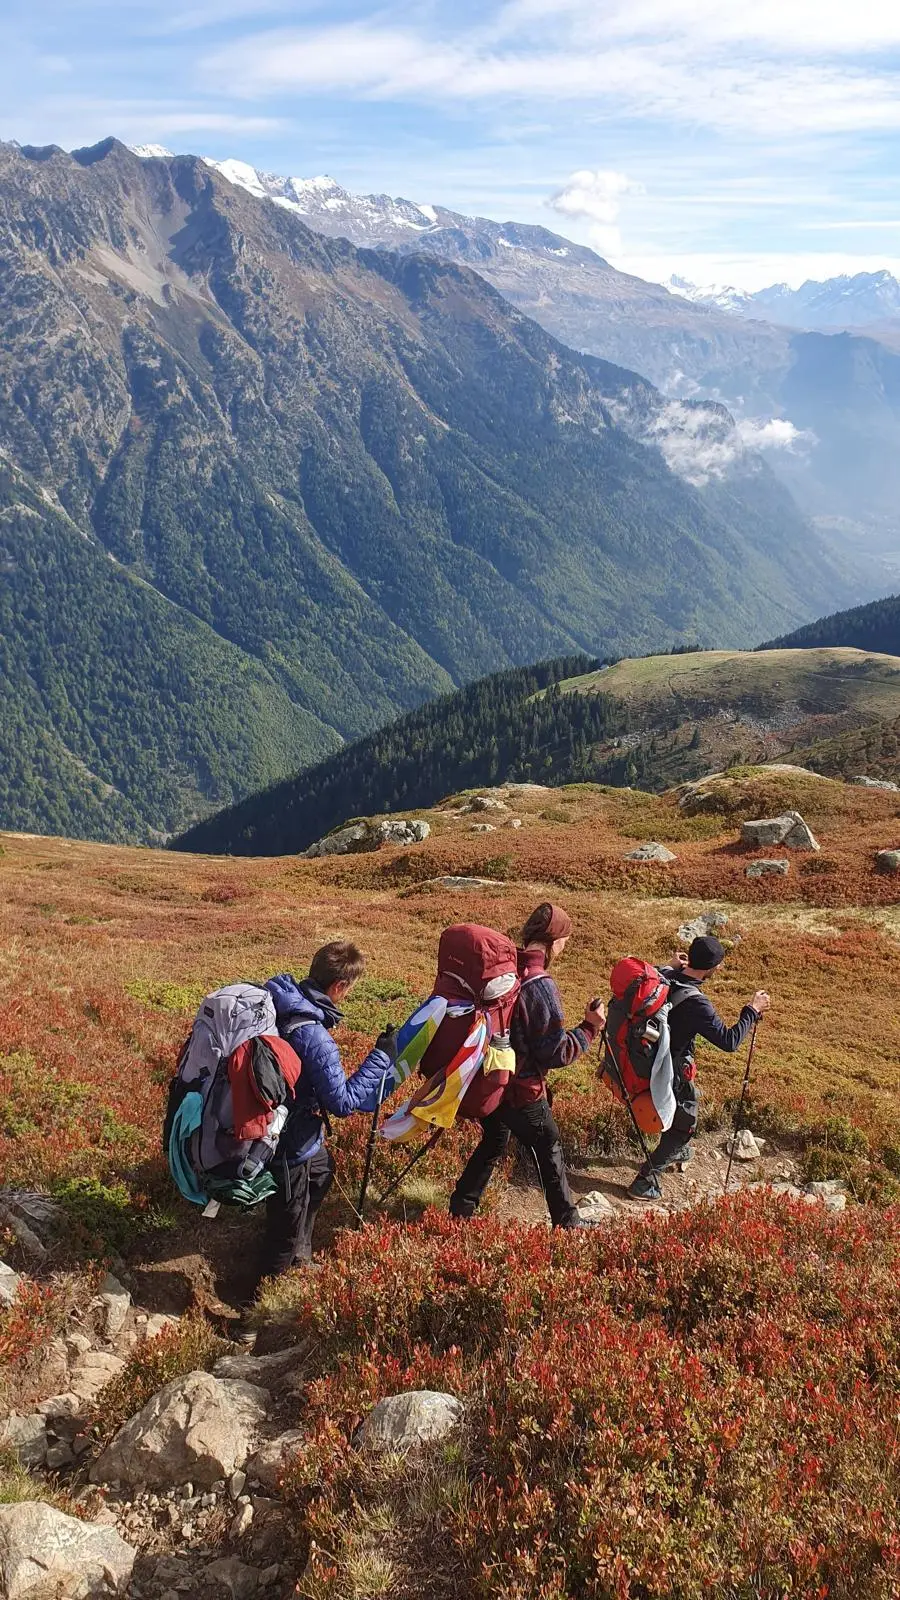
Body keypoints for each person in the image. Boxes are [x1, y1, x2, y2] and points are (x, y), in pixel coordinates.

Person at [449, 903, 606, 1228]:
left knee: (494, 1140)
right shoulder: (540, 985)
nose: (565, 947)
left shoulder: (503, 972)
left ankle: (460, 1210)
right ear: (554, 941)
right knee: (549, 1145)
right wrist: (590, 1027)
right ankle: (567, 1221)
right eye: (565, 940)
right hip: (521, 1090)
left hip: (490, 1080)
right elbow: (555, 1053)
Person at [254, 941, 396, 1286]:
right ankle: (252, 1316)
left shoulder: (281, 1001)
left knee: (321, 1172)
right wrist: (381, 1057)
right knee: (282, 1233)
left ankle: (301, 1254)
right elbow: (343, 1102)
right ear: (339, 987)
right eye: (350, 990)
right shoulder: (314, 1036)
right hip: (287, 1140)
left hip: (289, 1124)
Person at [626, 934, 771, 1202]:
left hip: (648, 1059)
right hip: (669, 1069)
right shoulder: (697, 1002)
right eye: (719, 965)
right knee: (685, 1125)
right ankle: (644, 1182)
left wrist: (671, 965)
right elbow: (729, 1042)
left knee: (686, 1105)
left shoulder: (665, 975)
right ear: (710, 968)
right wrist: (751, 1010)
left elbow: (663, 973)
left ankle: (676, 1152)